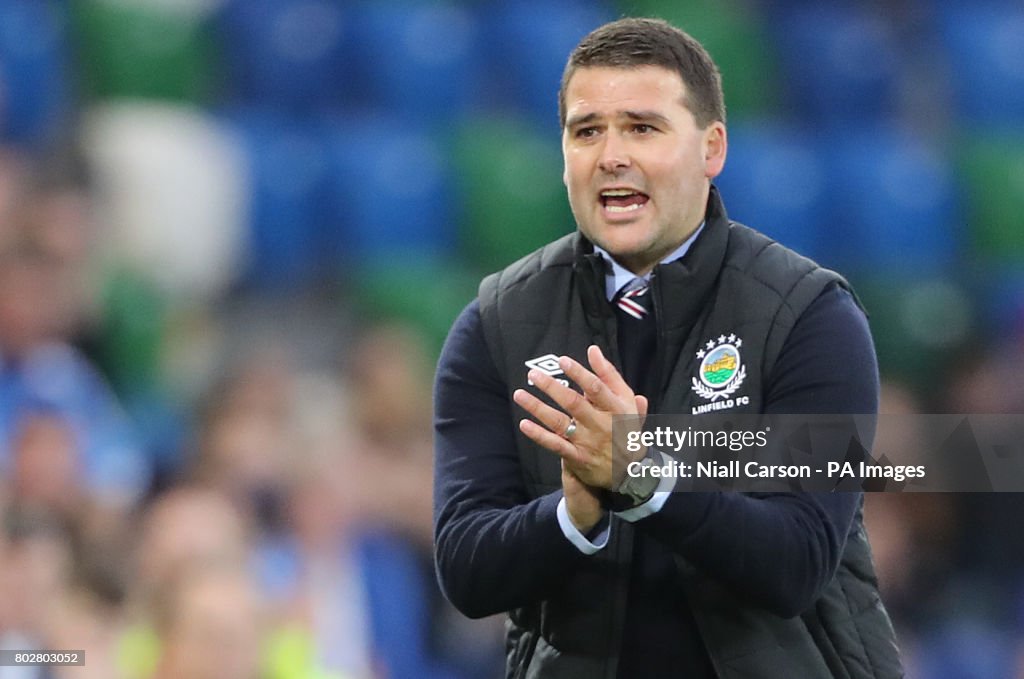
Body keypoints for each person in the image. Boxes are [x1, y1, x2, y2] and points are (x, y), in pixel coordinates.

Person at [433, 17, 903, 679]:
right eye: (586, 130)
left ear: (712, 149)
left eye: (642, 127)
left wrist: (642, 477)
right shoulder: (497, 323)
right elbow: (465, 568)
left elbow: (796, 561)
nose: (611, 155)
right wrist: (573, 511)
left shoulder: (810, 315)